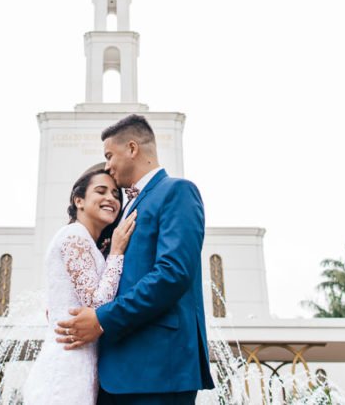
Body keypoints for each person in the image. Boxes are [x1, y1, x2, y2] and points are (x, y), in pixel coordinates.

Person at [57, 114, 215, 405]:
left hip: (157, 370)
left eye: (109, 155)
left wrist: (103, 319)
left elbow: (172, 273)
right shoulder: (123, 208)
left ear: (132, 148)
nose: (107, 166)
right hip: (115, 373)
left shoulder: (177, 192)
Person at [23, 164, 137, 405]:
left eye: (116, 194)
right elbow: (96, 305)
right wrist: (117, 252)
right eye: (101, 191)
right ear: (79, 200)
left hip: (80, 363)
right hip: (66, 367)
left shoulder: (87, 242)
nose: (111, 198)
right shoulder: (74, 236)